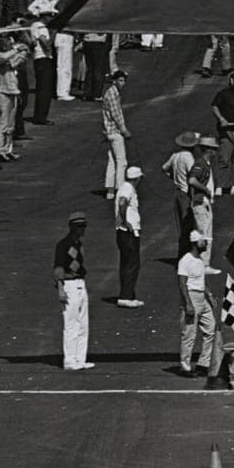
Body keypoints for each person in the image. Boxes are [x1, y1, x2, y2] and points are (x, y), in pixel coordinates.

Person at [177, 230, 221, 376]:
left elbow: (202, 279)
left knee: (211, 329)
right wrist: (188, 304)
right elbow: (182, 284)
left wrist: (209, 294)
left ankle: (204, 363)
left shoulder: (200, 260)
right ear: (196, 243)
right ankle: (185, 366)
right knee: (189, 334)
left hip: (202, 298)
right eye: (204, 241)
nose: (206, 244)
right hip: (192, 297)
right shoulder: (185, 260)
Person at [55, 212, 93, 370]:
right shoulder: (63, 245)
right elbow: (58, 268)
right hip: (69, 284)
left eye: (83, 226)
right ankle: (70, 361)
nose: (82, 229)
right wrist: (61, 290)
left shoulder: (78, 244)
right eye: (79, 226)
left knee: (83, 324)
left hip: (80, 283)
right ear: (71, 227)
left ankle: (80, 358)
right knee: (71, 324)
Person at [162, 130, 199, 259]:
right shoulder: (188, 157)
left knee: (181, 226)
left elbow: (164, 168)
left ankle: (182, 255)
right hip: (185, 193)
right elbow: (192, 175)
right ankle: (185, 255)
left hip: (177, 193)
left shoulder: (175, 156)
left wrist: (173, 177)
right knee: (188, 226)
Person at [0, 36, 29, 162]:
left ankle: (8, 150)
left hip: (13, 91)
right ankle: (0, 150)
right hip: (3, 93)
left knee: (11, 125)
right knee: (3, 124)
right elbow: (4, 59)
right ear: (3, 46)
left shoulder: (10, 56)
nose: (11, 46)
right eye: (8, 45)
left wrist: (24, 50)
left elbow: (21, 58)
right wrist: (17, 50)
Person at [115, 166, 145, 308]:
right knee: (132, 263)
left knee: (126, 263)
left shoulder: (125, 187)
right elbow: (122, 202)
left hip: (124, 232)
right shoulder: (127, 189)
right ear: (137, 178)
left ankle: (127, 294)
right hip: (128, 232)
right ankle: (126, 296)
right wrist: (126, 221)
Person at [188, 136, 218, 262]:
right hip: (200, 202)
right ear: (209, 150)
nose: (215, 152)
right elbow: (192, 180)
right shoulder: (200, 163)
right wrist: (205, 189)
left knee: (206, 233)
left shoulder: (206, 163)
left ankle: (205, 263)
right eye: (214, 149)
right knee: (204, 234)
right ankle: (203, 263)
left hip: (204, 202)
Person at [102, 69, 131, 198]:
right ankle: (120, 189)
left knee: (112, 161)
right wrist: (124, 130)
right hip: (115, 131)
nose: (122, 83)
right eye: (120, 80)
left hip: (109, 131)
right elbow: (116, 115)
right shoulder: (112, 94)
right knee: (121, 161)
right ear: (114, 81)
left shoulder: (112, 92)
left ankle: (110, 190)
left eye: (124, 81)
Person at [28, 9, 55, 126]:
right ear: (44, 16)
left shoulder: (34, 25)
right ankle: (41, 117)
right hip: (43, 59)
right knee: (45, 89)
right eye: (50, 16)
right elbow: (46, 45)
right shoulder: (41, 27)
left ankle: (39, 115)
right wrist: (54, 33)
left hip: (39, 59)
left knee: (42, 89)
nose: (51, 18)